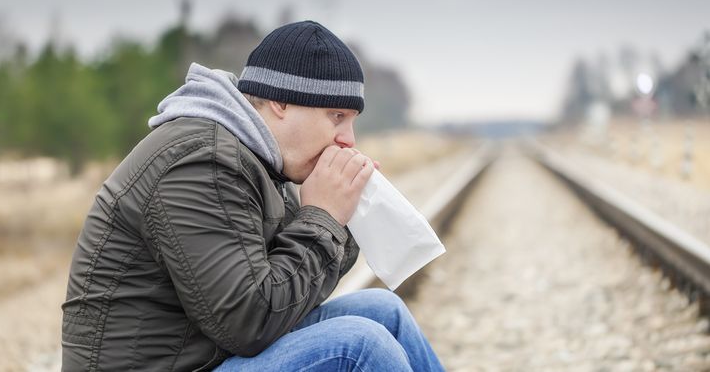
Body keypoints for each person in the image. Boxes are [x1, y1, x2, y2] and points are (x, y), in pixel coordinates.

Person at [61, 20, 443, 371]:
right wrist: (323, 217)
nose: (348, 140)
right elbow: (251, 322)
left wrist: (342, 216)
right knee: (359, 346)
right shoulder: (201, 161)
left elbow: (290, 294)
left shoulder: (256, 159)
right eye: (336, 116)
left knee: (383, 311)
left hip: (200, 355)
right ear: (281, 102)